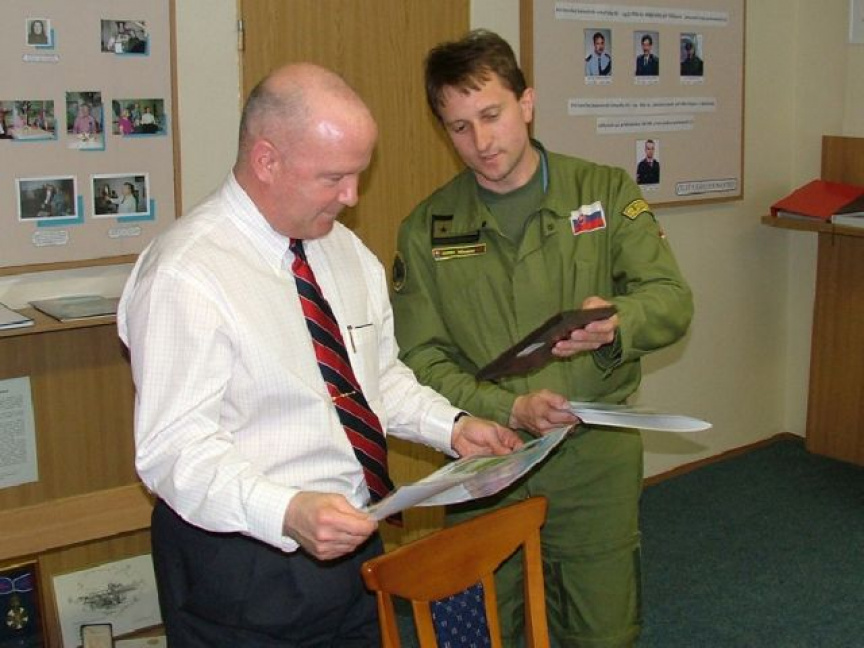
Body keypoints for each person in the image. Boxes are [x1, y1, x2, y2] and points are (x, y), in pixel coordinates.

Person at [117, 62, 521, 647]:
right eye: (334, 177)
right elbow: (174, 451)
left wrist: (452, 428)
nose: (352, 196)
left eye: (358, 174)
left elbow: (376, 379)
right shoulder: (186, 275)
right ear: (266, 160)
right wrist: (286, 511)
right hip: (245, 560)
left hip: (354, 543)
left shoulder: (344, 251)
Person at [392, 30, 693, 647]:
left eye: (491, 115)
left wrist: (618, 321)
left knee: (600, 629)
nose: (481, 142)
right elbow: (419, 356)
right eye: (459, 127)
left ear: (526, 103)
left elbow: (671, 299)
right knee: (482, 629)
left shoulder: (603, 193)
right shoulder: (427, 228)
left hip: (592, 457)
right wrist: (508, 408)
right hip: (486, 459)